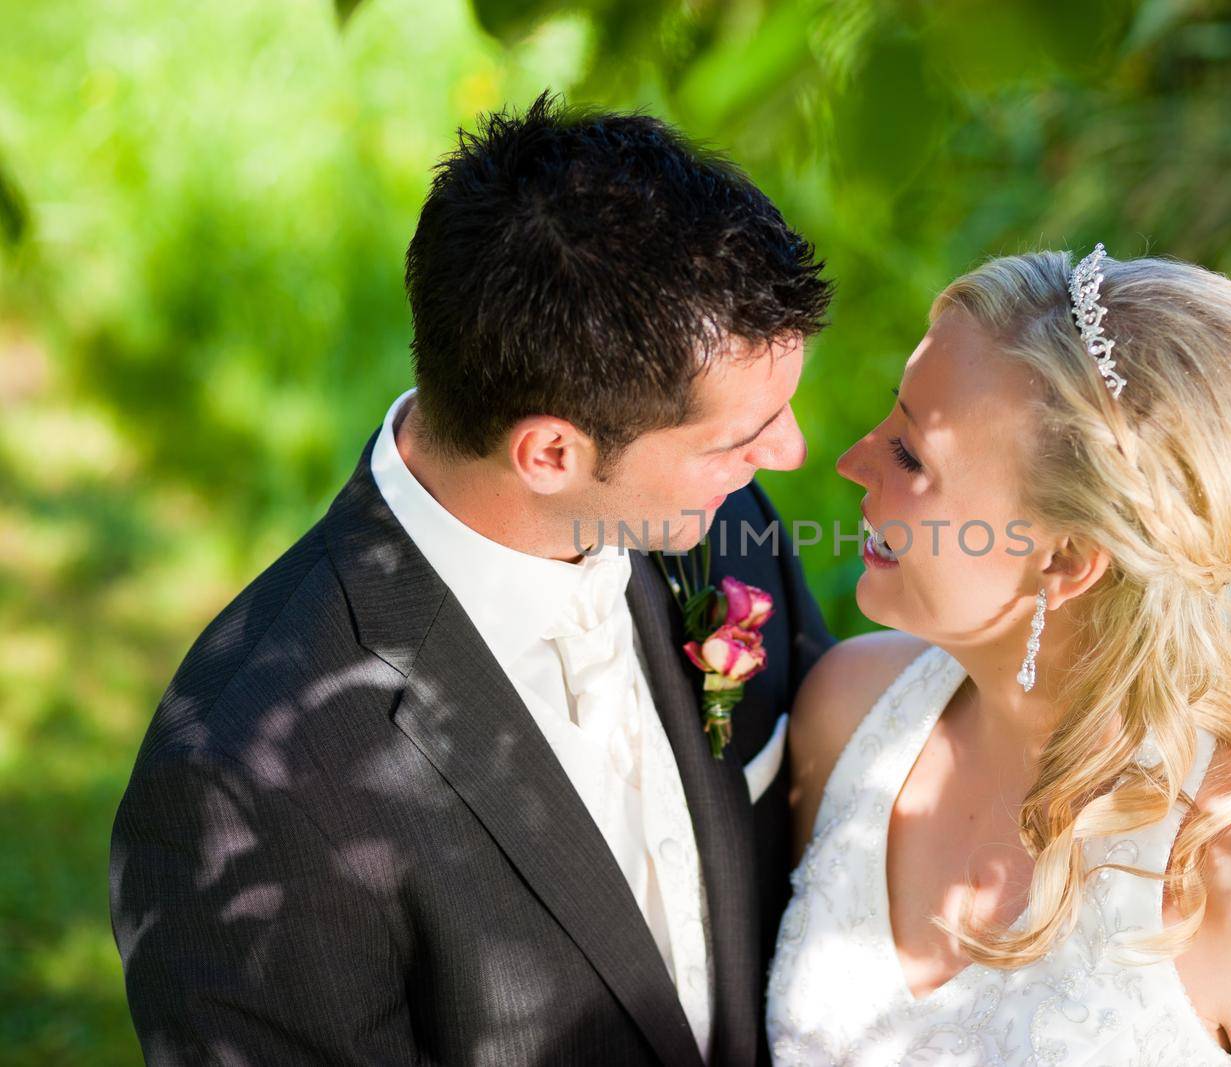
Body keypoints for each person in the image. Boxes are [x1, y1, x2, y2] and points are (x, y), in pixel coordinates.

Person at [109, 93, 834, 1066]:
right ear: (547, 451)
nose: (790, 450)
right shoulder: (252, 781)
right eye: (741, 435)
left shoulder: (726, 532)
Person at [769, 246, 1231, 1064]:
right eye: (892, 419)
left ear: (1066, 560)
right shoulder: (848, 712)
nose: (851, 461)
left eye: (910, 456)